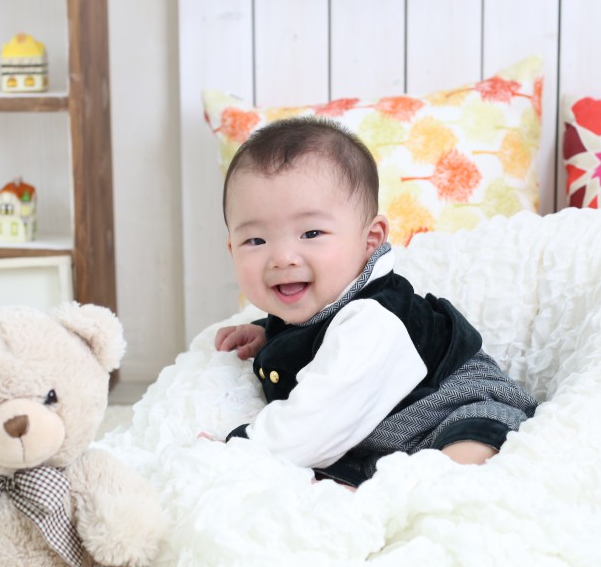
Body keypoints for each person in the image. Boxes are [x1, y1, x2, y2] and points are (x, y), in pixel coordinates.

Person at [213, 117, 537, 487]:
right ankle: (378, 489)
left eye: (311, 233)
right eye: (256, 241)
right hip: (384, 440)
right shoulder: (316, 300)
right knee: (339, 476)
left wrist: (240, 447)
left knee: (470, 452)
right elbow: (312, 334)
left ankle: (414, 495)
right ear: (231, 249)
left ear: (370, 240)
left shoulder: (373, 319)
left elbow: (315, 424)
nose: (282, 257)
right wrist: (268, 336)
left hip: (456, 411)